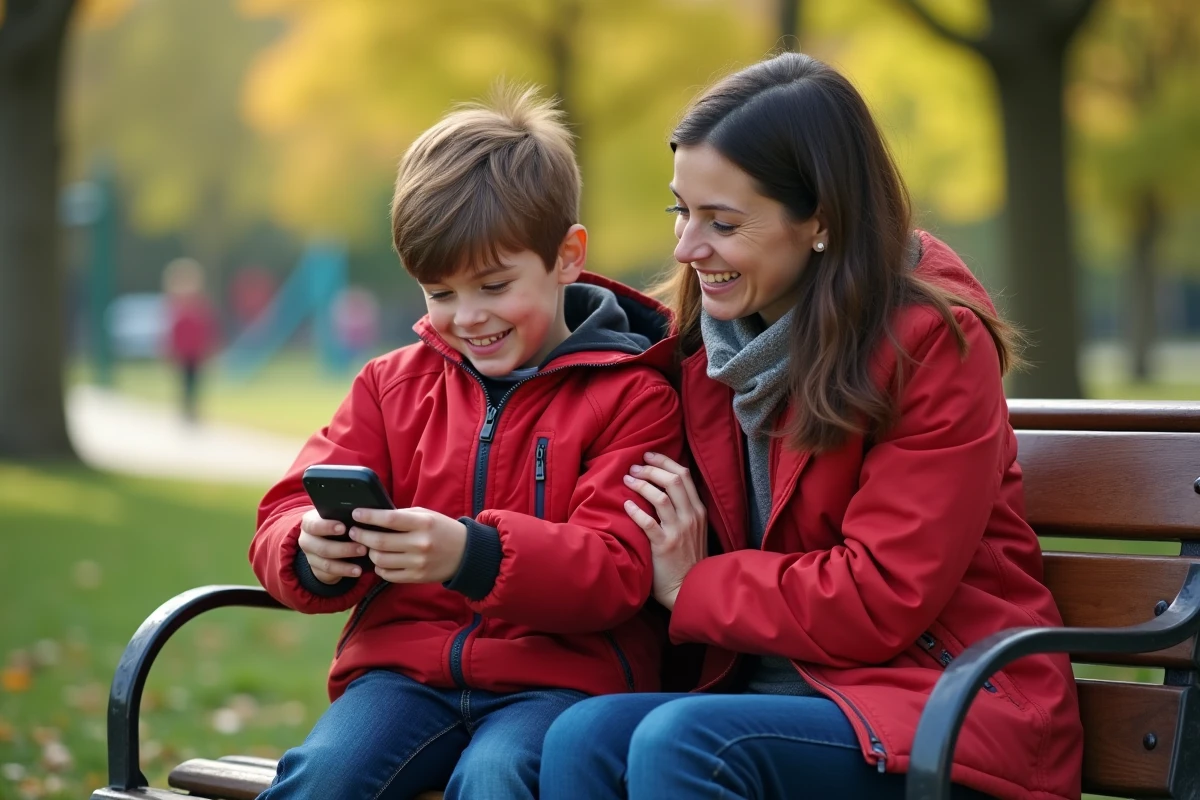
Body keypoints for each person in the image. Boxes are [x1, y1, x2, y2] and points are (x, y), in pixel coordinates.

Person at [540, 52, 1084, 800]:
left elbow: (879, 595)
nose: (686, 248)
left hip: (937, 707)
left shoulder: (930, 347)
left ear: (821, 220)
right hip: (773, 702)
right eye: (682, 211)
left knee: (685, 745)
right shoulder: (705, 345)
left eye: (722, 222)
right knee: (579, 738)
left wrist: (695, 585)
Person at [249, 85, 682, 800]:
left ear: (567, 257)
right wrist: (308, 546)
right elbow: (287, 507)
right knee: (320, 776)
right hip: (401, 677)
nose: (468, 317)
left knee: (498, 778)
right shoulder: (391, 385)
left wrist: (470, 554)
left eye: (492, 285)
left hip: (560, 685)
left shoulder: (634, 395)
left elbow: (616, 571)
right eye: (440, 293)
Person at [162, 257, 219, 422]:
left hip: (196, 354)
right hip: (183, 355)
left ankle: (193, 410)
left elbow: (208, 330)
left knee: (196, 383)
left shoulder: (200, 307)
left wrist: (210, 350)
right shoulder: (176, 309)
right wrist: (170, 353)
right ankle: (185, 410)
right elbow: (172, 335)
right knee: (184, 384)